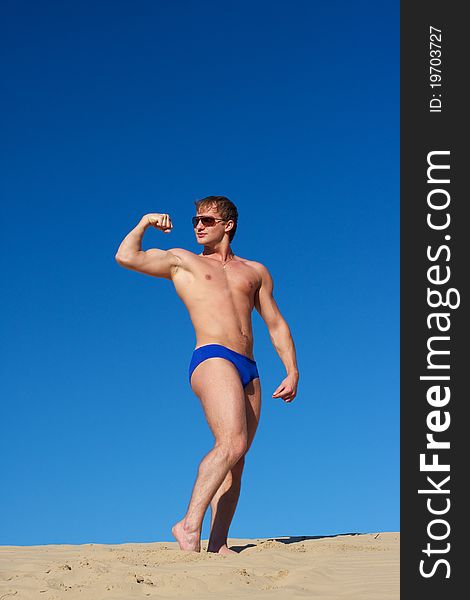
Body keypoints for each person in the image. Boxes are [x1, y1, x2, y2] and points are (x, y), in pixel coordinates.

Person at [115, 195, 299, 554]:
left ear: (228, 225)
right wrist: (144, 223)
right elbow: (127, 257)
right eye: (196, 219)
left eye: (207, 220)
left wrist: (292, 370)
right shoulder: (183, 261)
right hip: (212, 356)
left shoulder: (255, 271)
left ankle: (218, 543)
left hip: (250, 366)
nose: (198, 225)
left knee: (238, 457)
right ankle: (188, 524)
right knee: (231, 442)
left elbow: (276, 324)